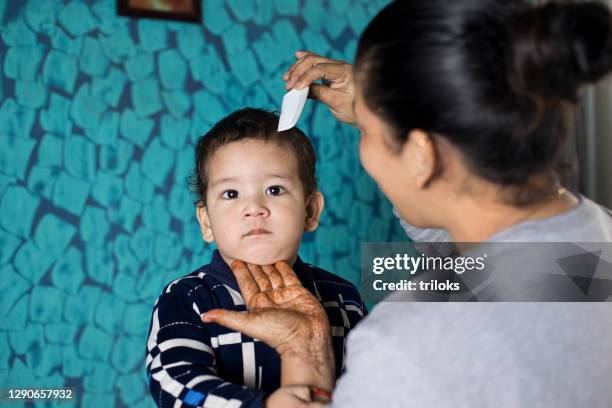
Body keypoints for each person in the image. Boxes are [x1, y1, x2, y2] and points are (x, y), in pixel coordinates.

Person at [201, 1, 612, 407]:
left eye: (368, 134)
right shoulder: (595, 251)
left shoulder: (405, 350)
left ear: (422, 154)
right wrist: (383, 112)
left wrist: (304, 357)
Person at [145, 108, 366, 407]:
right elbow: (174, 385)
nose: (254, 208)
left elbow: (371, 385)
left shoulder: (341, 296)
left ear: (310, 210)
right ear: (206, 221)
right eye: (232, 194)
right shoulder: (188, 298)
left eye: (274, 189)